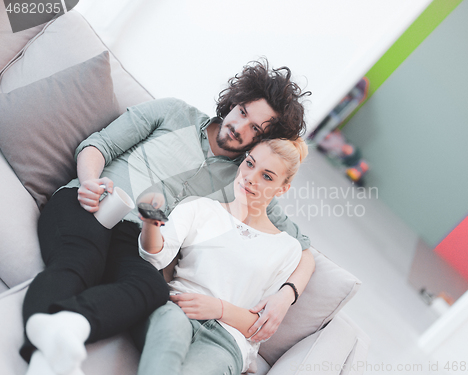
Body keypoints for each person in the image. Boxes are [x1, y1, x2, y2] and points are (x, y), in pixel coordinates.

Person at [21, 59, 315, 375]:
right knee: (81, 261)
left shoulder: (246, 178)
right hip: (91, 205)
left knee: (153, 289)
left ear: (264, 140)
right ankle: (41, 347)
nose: (240, 127)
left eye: (256, 128)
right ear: (234, 101)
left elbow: (304, 250)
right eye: (243, 112)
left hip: (133, 240)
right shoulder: (173, 113)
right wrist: (90, 181)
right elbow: (98, 145)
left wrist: (287, 295)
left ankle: (66, 331)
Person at [136, 138, 308, 374]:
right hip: (176, 310)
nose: (250, 177)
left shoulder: (288, 248)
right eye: (249, 164)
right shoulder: (199, 208)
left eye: (267, 176)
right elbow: (156, 257)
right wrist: (150, 224)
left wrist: (218, 308)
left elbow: (258, 328)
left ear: (282, 189)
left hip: (227, 340)